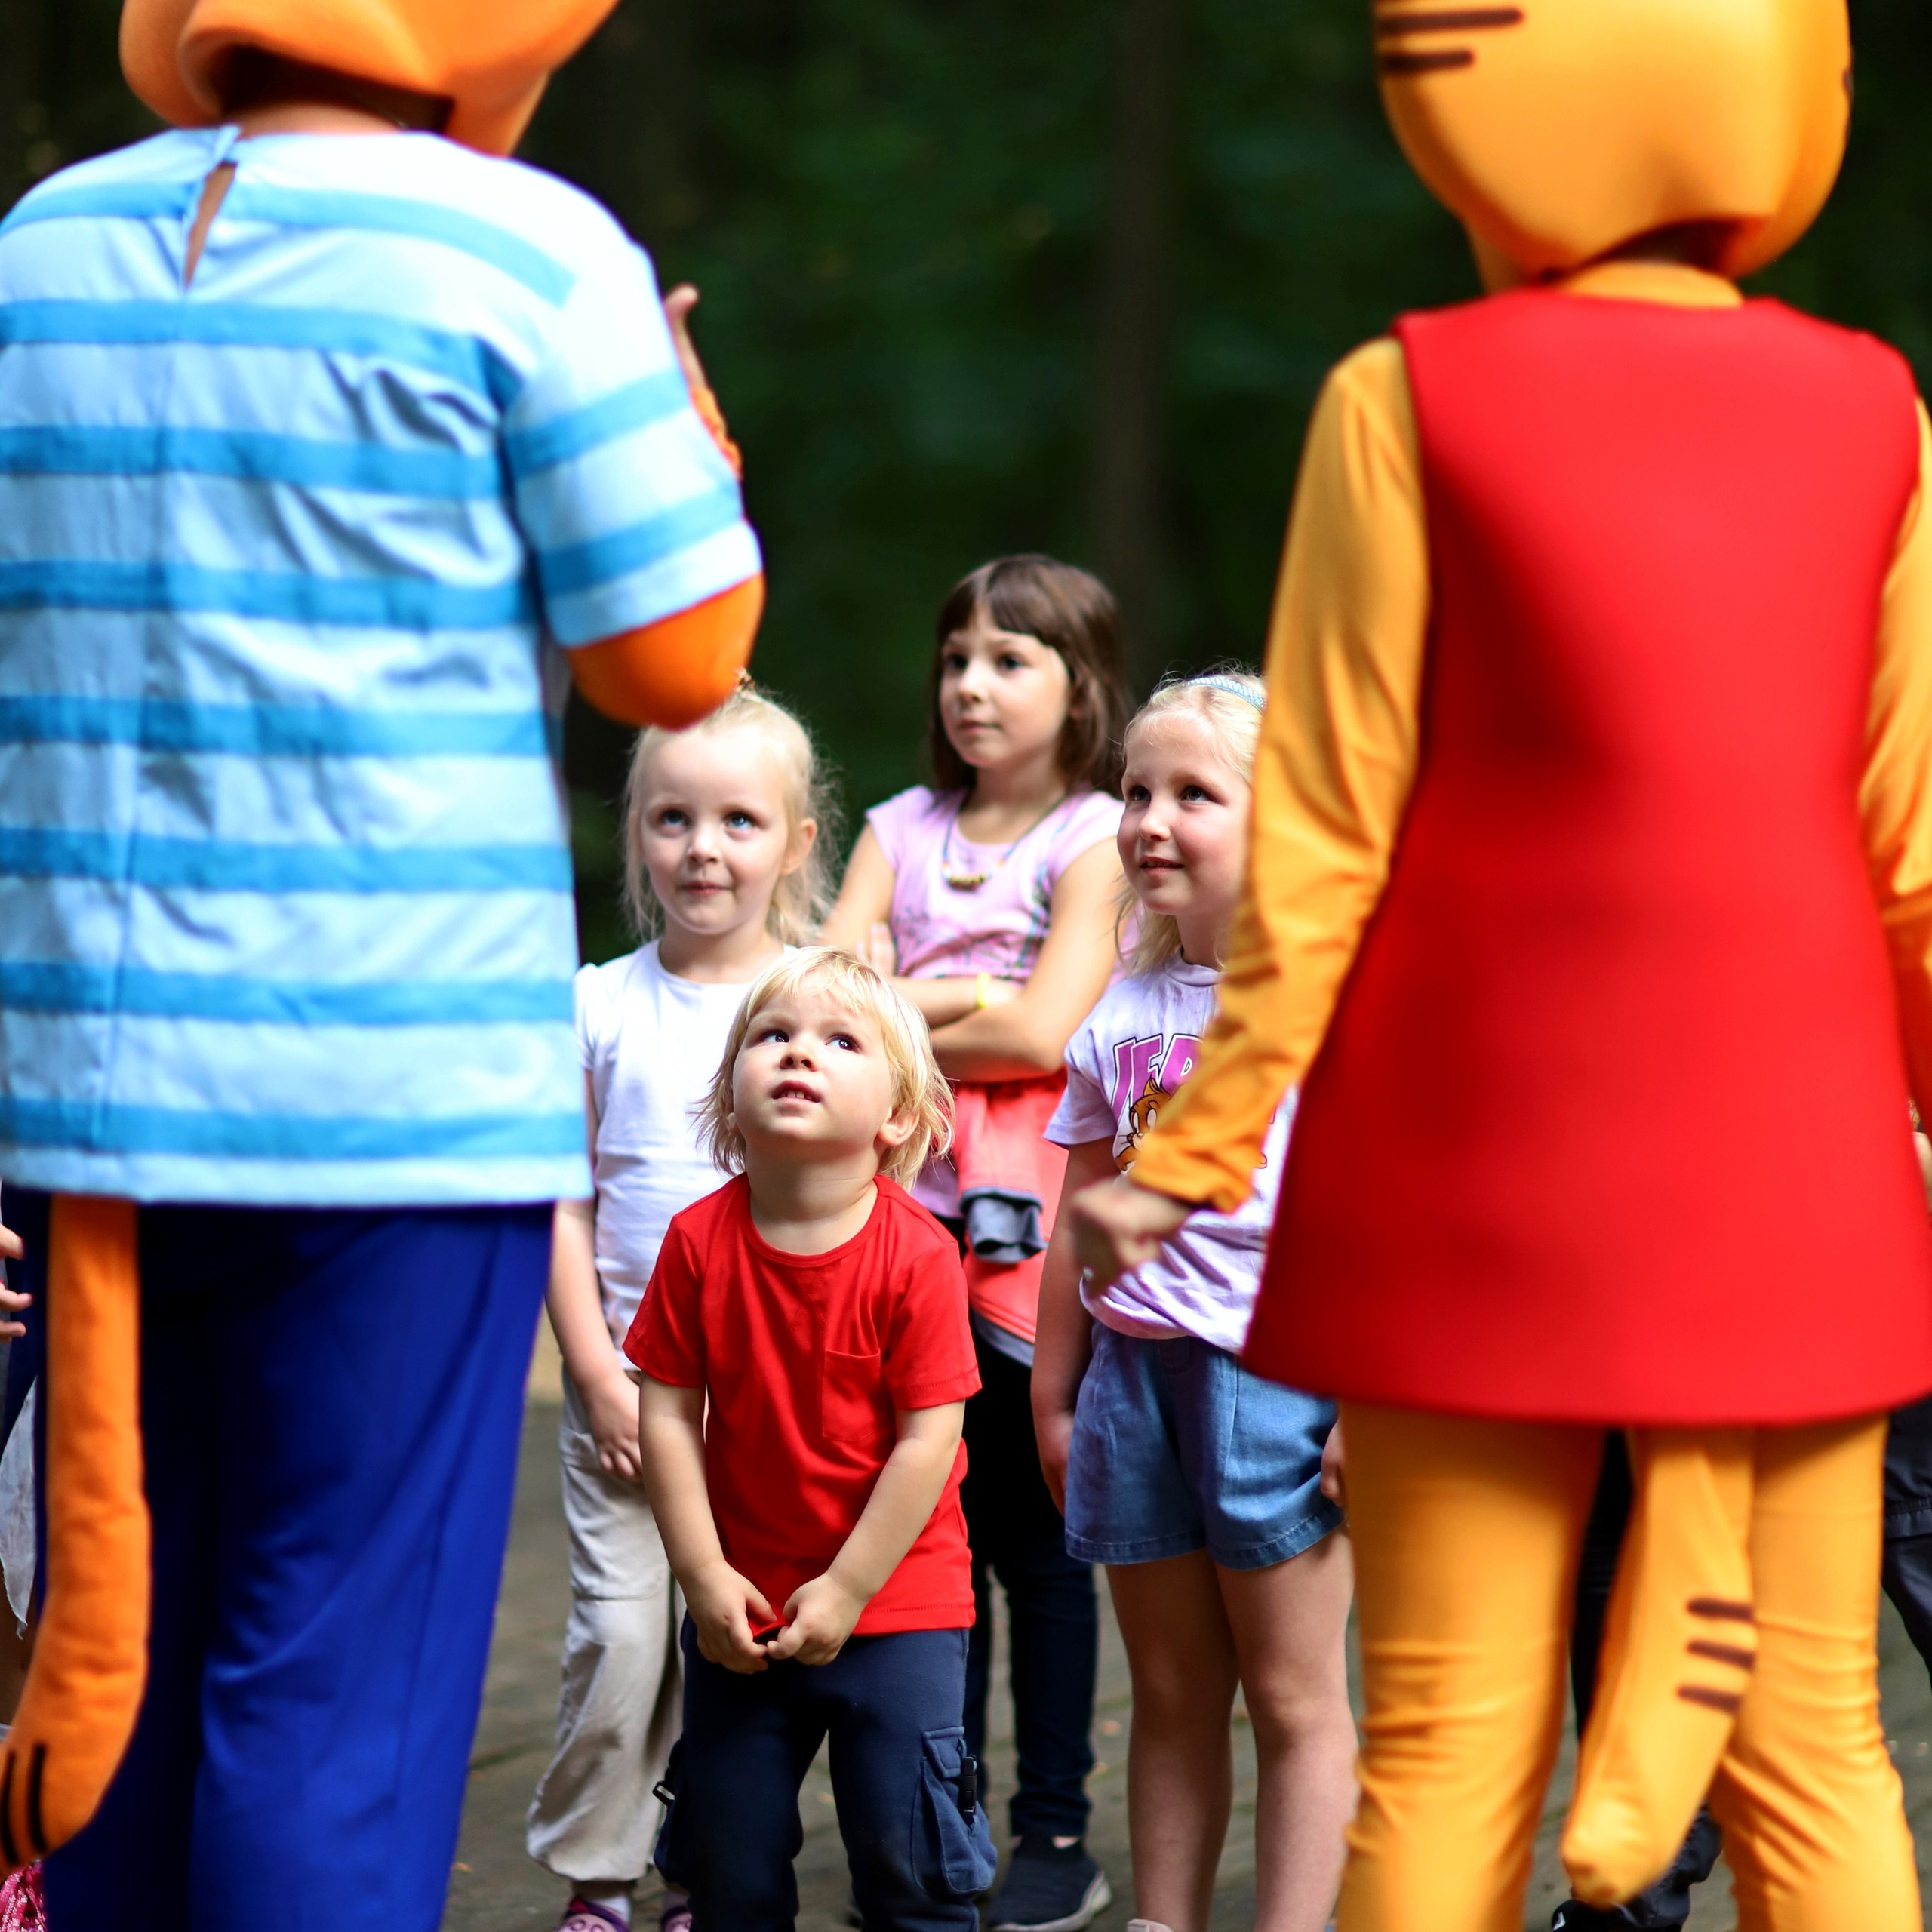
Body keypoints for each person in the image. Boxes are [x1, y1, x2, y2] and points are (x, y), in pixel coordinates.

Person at [1071, 1, 1932, 1927]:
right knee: (1813, 1751)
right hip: (1788, 1188)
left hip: (1464, 1178)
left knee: (1448, 1745)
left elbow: (1323, 839)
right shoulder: (1879, 406)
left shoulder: (1408, 394)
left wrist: (1191, 1153)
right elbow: (1912, 857)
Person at [0, 0, 764, 1919]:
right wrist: (686, 425)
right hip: (392, 1102)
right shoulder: (525, 247)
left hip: (77, 1079)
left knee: (117, 1634)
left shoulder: (38, 245)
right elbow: (673, 659)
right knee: (335, 1672)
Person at [822, 555, 1131, 1931]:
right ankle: (937, 1815)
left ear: (1082, 690)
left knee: (1036, 1546)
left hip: (1024, 1260)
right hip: (885, 1239)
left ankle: (1053, 1831)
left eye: (1011, 659)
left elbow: (1043, 1034)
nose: (972, 686)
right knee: (915, 1531)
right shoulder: (896, 828)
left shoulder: (1098, 839)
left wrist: (918, 996)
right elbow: (822, 1003)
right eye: (957, 658)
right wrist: (958, 996)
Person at [1032, 672, 1355, 1932]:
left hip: (1279, 1377)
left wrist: (1366, 1408)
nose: (1151, 820)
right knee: (1168, 1691)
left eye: (1193, 795)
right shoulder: (1123, 1005)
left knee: (1291, 1697)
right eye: (1136, 791)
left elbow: (1377, 1221)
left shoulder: (1324, 1005)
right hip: (1131, 1380)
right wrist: (1057, 1393)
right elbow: (1080, 1209)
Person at [528, 688, 834, 1932]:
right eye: (673, 819)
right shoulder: (598, 1003)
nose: (704, 847)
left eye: (739, 821)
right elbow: (562, 1201)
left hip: (774, 1404)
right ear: (638, 833)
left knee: (740, 1648)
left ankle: (708, 1867)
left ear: (798, 843)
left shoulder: (823, 1003)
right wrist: (594, 1369)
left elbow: (861, 1200)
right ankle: (597, 1877)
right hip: (627, 1394)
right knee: (620, 1640)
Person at [629, 948, 994, 1932]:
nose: (799, 1054)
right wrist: (702, 1577)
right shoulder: (697, 1244)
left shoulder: (917, 1255)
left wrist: (847, 1587)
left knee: (911, 1871)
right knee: (730, 1871)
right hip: (737, 1612)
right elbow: (664, 1410)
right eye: (772, 1035)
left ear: (898, 1120)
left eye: (840, 1041)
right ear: (729, 1098)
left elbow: (930, 1440)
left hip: (899, 1605)